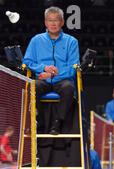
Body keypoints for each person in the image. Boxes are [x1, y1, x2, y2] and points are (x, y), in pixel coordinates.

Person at [23, 6, 80, 135]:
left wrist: (55, 73)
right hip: (43, 80)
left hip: (63, 80)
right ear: (45, 22)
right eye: (50, 20)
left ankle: (57, 123)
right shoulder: (36, 40)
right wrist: (43, 68)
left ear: (62, 22)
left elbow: (73, 67)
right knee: (33, 86)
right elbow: (27, 62)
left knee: (69, 88)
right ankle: (38, 122)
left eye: (56, 20)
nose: (53, 23)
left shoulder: (71, 42)